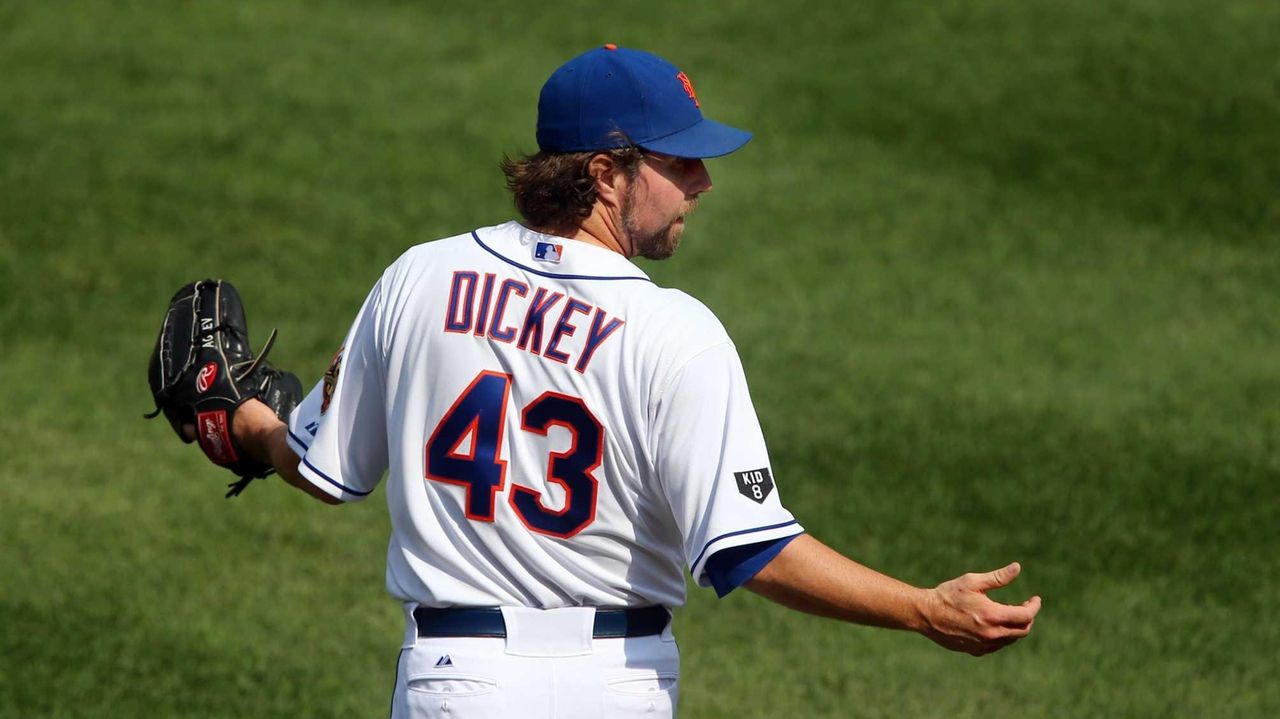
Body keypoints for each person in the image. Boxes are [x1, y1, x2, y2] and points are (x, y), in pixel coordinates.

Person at [229, 44, 1041, 718]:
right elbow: (754, 550)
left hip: (454, 684)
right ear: (605, 174)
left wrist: (248, 424)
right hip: (617, 687)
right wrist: (921, 608)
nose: (703, 182)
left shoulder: (420, 278)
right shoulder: (674, 333)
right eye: (680, 159)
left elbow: (326, 470)